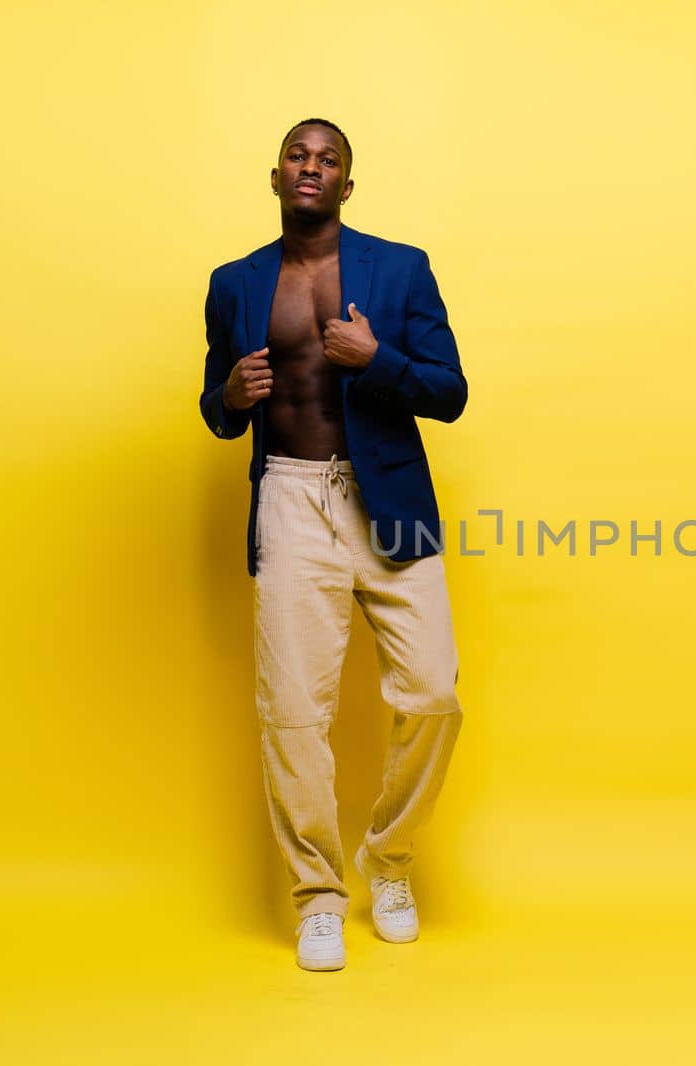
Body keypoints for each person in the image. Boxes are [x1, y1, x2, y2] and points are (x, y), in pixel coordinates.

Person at [198, 117, 467, 971]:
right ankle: (317, 894)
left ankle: (387, 861)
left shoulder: (402, 268)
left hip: (393, 497)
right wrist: (231, 396)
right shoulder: (234, 282)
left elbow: (451, 393)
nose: (311, 168)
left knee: (433, 693)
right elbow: (216, 404)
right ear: (275, 175)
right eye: (297, 156)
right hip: (287, 493)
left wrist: (377, 359)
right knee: (294, 715)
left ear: (347, 184)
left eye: (329, 160)